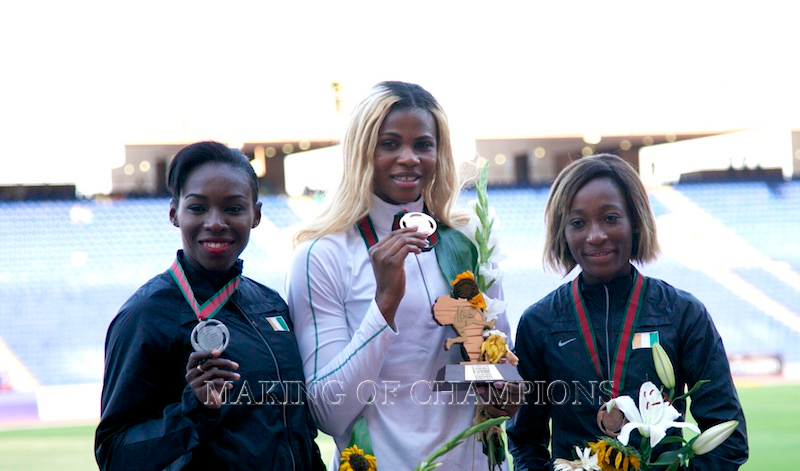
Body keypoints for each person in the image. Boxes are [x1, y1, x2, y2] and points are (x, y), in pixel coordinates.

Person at [286, 81, 517, 470]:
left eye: (423, 145)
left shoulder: (470, 241)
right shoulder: (321, 255)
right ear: (363, 151)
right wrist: (385, 304)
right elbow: (328, 412)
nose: (409, 158)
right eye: (389, 143)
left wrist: (504, 388)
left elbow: (504, 368)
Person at [507, 153, 748, 470]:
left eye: (610, 218)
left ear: (635, 221)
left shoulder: (683, 314)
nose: (596, 235)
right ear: (562, 232)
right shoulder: (539, 323)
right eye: (578, 223)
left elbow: (727, 438)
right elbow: (525, 441)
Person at [95, 141, 325, 470]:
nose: (215, 222)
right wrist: (196, 409)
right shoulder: (145, 315)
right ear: (174, 212)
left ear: (255, 215)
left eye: (232, 208)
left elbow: (298, 432)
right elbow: (114, 453)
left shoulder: (272, 305)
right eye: (198, 208)